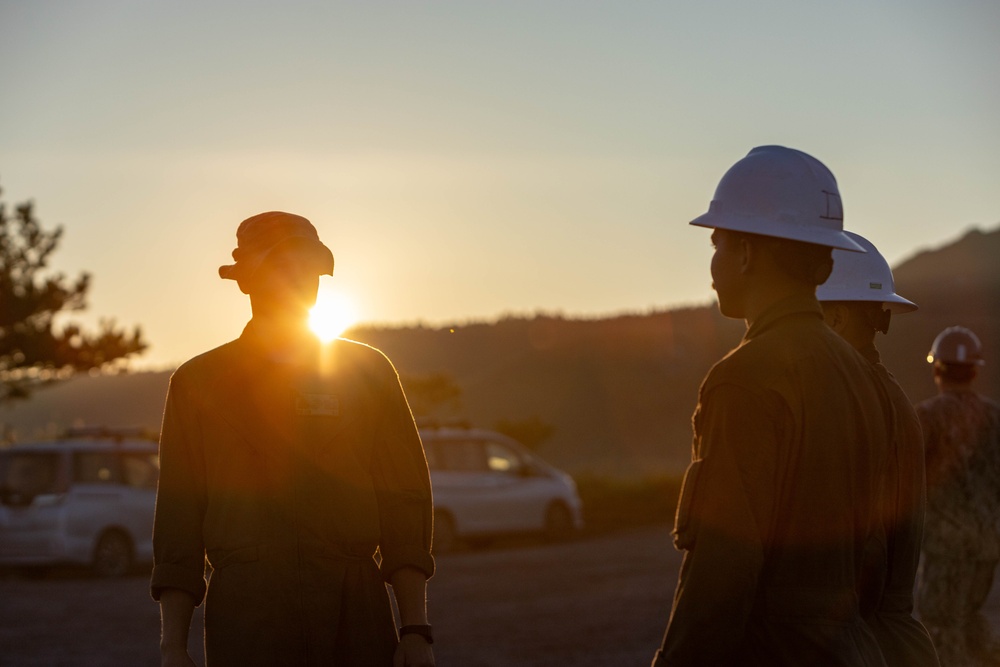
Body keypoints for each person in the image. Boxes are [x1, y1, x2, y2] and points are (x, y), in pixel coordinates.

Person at [150, 211, 436, 667]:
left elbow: (404, 504)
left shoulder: (367, 373)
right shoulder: (197, 383)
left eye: (309, 267)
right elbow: (178, 524)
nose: (299, 280)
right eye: (282, 267)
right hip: (247, 624)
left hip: (356, 618)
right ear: (246, 281)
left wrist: (415, 630)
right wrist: (172, 648)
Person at [652, 146, 893, 666]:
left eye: (717, 244)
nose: (713, 263)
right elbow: (874, 559)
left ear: (745, 253)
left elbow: (719, 574)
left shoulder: (744, 379)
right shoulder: (861, 378)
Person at [816, 231, 940, 666]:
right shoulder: (888, 396)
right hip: (893, 643)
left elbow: (868, 547)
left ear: (835, 318)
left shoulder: (852, 402)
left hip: (867, 644)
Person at [916, 326, 1000, 667]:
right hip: (987, 545)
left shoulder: (925, 418)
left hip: (944, 548)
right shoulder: (996, 418)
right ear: (975, 370)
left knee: (939, 626)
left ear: (937, 370)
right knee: (969, 616)